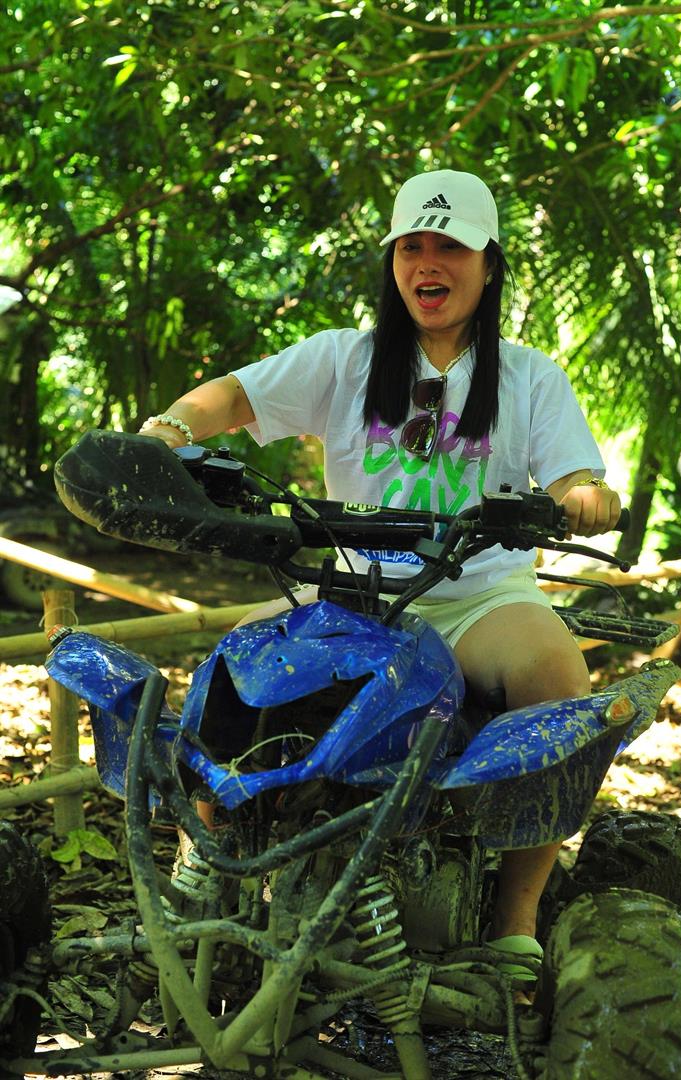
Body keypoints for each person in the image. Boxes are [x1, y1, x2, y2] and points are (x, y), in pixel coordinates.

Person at [137, 169, 622, 996]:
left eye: (450, 247)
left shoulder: (529, 377)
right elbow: (233, 397)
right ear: (393, 262)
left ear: (488, 264)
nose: (427, 263)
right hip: (347, 592)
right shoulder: (343, 358)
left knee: (557, 678)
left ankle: (514, 921)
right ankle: (198, 865)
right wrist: (167, 430)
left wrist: (583, 497)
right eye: (410, 247)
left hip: (475, 596)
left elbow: (576, 474)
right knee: (232, 661)